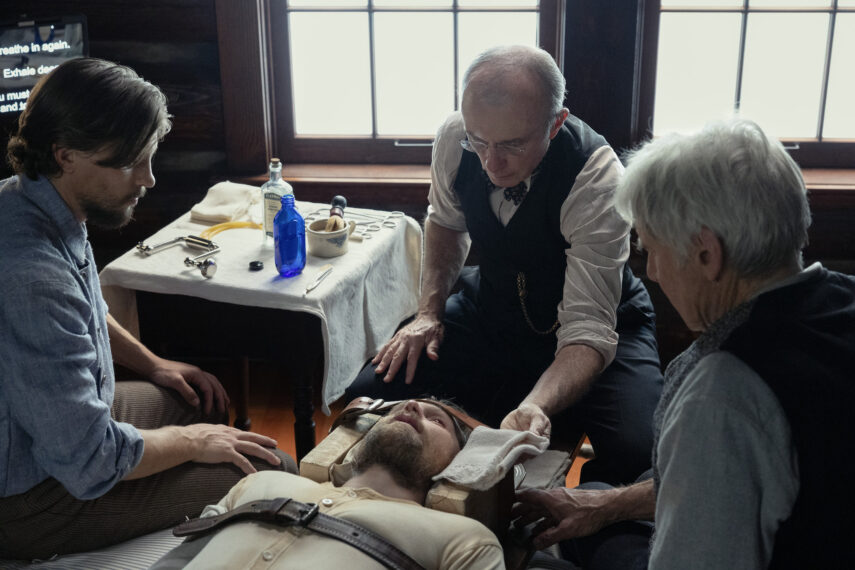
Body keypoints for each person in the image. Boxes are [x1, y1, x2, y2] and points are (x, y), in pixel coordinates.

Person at [514, 118, 855, 569]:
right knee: (596, 499)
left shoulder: (723, 391)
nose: (651, 271)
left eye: (651, 249)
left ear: (706, 254)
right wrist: (604, 506)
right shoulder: (843, 296)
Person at [0, 57, 294, 560]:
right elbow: (90, 461)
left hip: (53, 427)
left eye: (150, 156)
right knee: (272, 469)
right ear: (65, 154)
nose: (149, 179)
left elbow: (87, 307)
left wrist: (156, 366)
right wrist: (193, 443)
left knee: (203, 401)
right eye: (131, 162)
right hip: (32, 496)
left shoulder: (33, 199)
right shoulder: (32, 275)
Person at [346, 45, 663, 486]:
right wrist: (428, 312)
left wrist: (536, 405)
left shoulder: (595, 176)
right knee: (368, 396)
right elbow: (445, 222)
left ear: (556, 123)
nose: (492, 164)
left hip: (600, 327)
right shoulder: (457, 137)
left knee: (639, 452)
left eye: (513, 145)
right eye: (479, 142)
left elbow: (588, 329)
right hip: (491, 305)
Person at [151, 399, 505, 569]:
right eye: (396, 411)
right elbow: (178, 558)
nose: (413, 407)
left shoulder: (462, 539)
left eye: (437, 421)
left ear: (456, 463)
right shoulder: (263, 482)